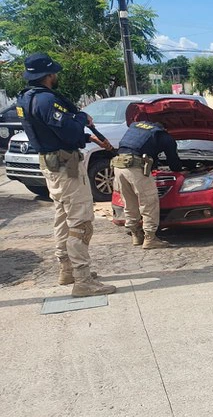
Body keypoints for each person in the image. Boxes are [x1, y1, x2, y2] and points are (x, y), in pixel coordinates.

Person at [16, 53, 117, 297]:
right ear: (48, 75)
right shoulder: (47, 101)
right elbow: (68, 132)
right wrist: (82, 118)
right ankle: (83, 280)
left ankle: (67, 269)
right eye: (55, 73)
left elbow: (52, 133)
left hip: (51, 164)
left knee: (62, 216)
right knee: (81, 222)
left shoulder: (25, 99)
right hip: (66, 166)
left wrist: (87, 137)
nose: (56, 76)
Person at [111, 119, 183, 249]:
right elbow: (174, 164)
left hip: (119, 166)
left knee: (129, 201)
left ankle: (136, 235)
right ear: (166, 129)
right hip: (136, 167)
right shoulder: (165, 137)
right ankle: (150, 238)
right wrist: (181, 168)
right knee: (149, 201)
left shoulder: (137, 127)